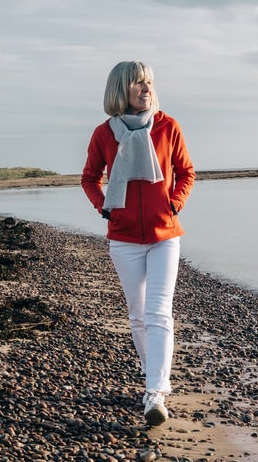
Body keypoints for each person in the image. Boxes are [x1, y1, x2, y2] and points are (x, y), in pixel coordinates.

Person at [81, 61, 195, 426]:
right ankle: (154, 376)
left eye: (149, 82)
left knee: (158, 313)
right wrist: (105, 209)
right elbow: (89, 178)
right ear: (121, 89)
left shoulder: (167, 126)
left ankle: (155, 392)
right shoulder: (104, 134)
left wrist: (174, 203)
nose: (146, 88)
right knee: (137, 315)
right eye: (137, 83)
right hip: (125, 238)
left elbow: (187, 172)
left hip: (165, 235)